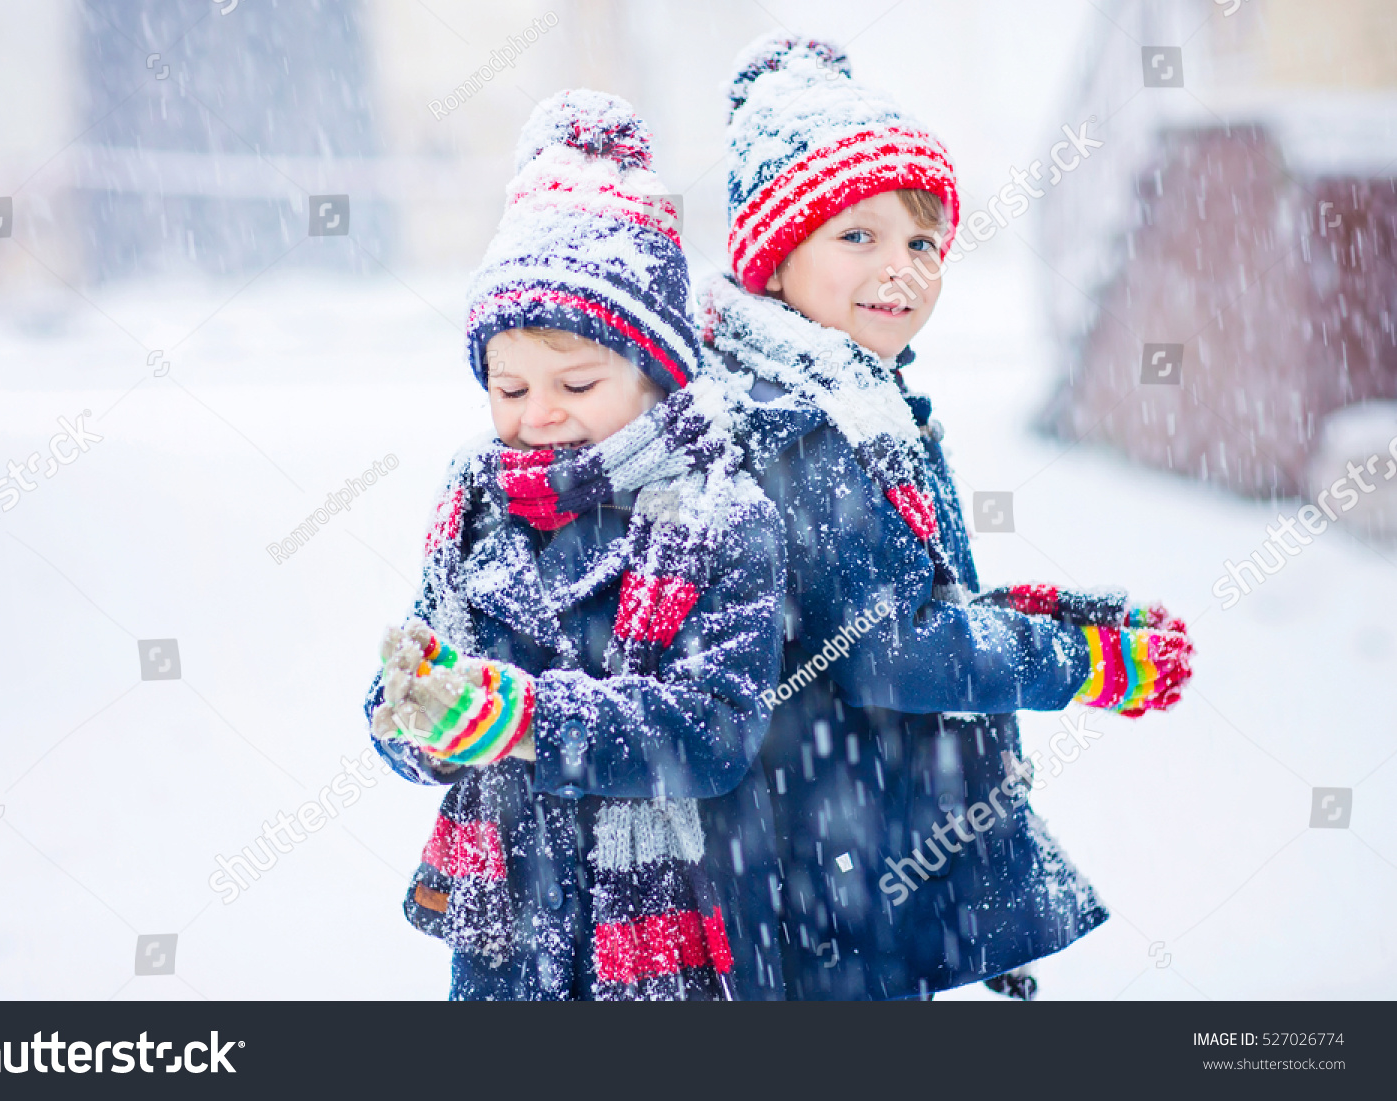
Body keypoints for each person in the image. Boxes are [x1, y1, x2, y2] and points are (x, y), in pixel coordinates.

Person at [698, 33, 1194, 1000]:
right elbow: (891, 652)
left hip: (843, 840)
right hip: (826, 862)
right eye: (859, 237)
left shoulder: (847, 391)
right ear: (774, 254)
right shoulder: (802, 422)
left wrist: (1030, 614)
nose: (903, 268)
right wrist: (1083, 661)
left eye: (922, 243)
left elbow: (887, 599)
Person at [363, 89, 788, 1000]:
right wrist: (419, 715)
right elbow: (412, 680)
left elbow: (714, 730)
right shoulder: (477, 506)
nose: (540, 414)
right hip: (507, 932)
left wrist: (525, 722)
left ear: (658, 373)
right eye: (510, 389)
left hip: (662, 938)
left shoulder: (719, 514)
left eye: (577, 383)